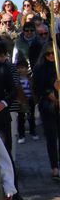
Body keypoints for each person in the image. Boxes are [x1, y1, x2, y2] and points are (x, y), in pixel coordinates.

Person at [32, 42, 60, 179]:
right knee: (51, 137)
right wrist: (50, 92)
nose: (51, 56)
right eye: (48, 53)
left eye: (53, 53)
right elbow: (37, 87)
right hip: (47, 106)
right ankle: (54, 166)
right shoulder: (40, 68)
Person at [16, 60, 38, 144]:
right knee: (21, 118)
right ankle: (21, 134)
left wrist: (35, 99)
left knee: (31, 117)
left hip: (30, 100)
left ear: (26, 68)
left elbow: (34, 90)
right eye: (19, 68)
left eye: (22, 68)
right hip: (21, 101)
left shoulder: (30, 78)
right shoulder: (16, 80)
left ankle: (33, 131)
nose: (21, 70)